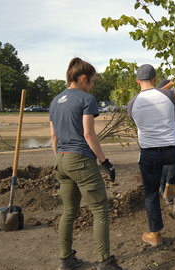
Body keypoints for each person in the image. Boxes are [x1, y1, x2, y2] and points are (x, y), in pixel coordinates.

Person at [49, 57, 125, 270]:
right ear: (83, 79)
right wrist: (105, 162)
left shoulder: (55, 101)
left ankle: (66, 259)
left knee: (69, 212)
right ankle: (105, 262)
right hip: (81, 159)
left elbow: (53, 137)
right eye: (91, 81)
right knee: (100, 209)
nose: (92, 86)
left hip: (61, 160)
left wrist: (60, 158)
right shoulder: (85, 99)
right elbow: (88, 133)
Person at [127, 64, 175, 247]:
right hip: (172, 152)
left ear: (138, 82)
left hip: (149, 154)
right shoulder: (168, 95)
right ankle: (171, 184)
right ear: (155, 77)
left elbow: (136, 121)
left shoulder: (132, 102)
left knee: (150, 194)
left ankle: (156, 234)